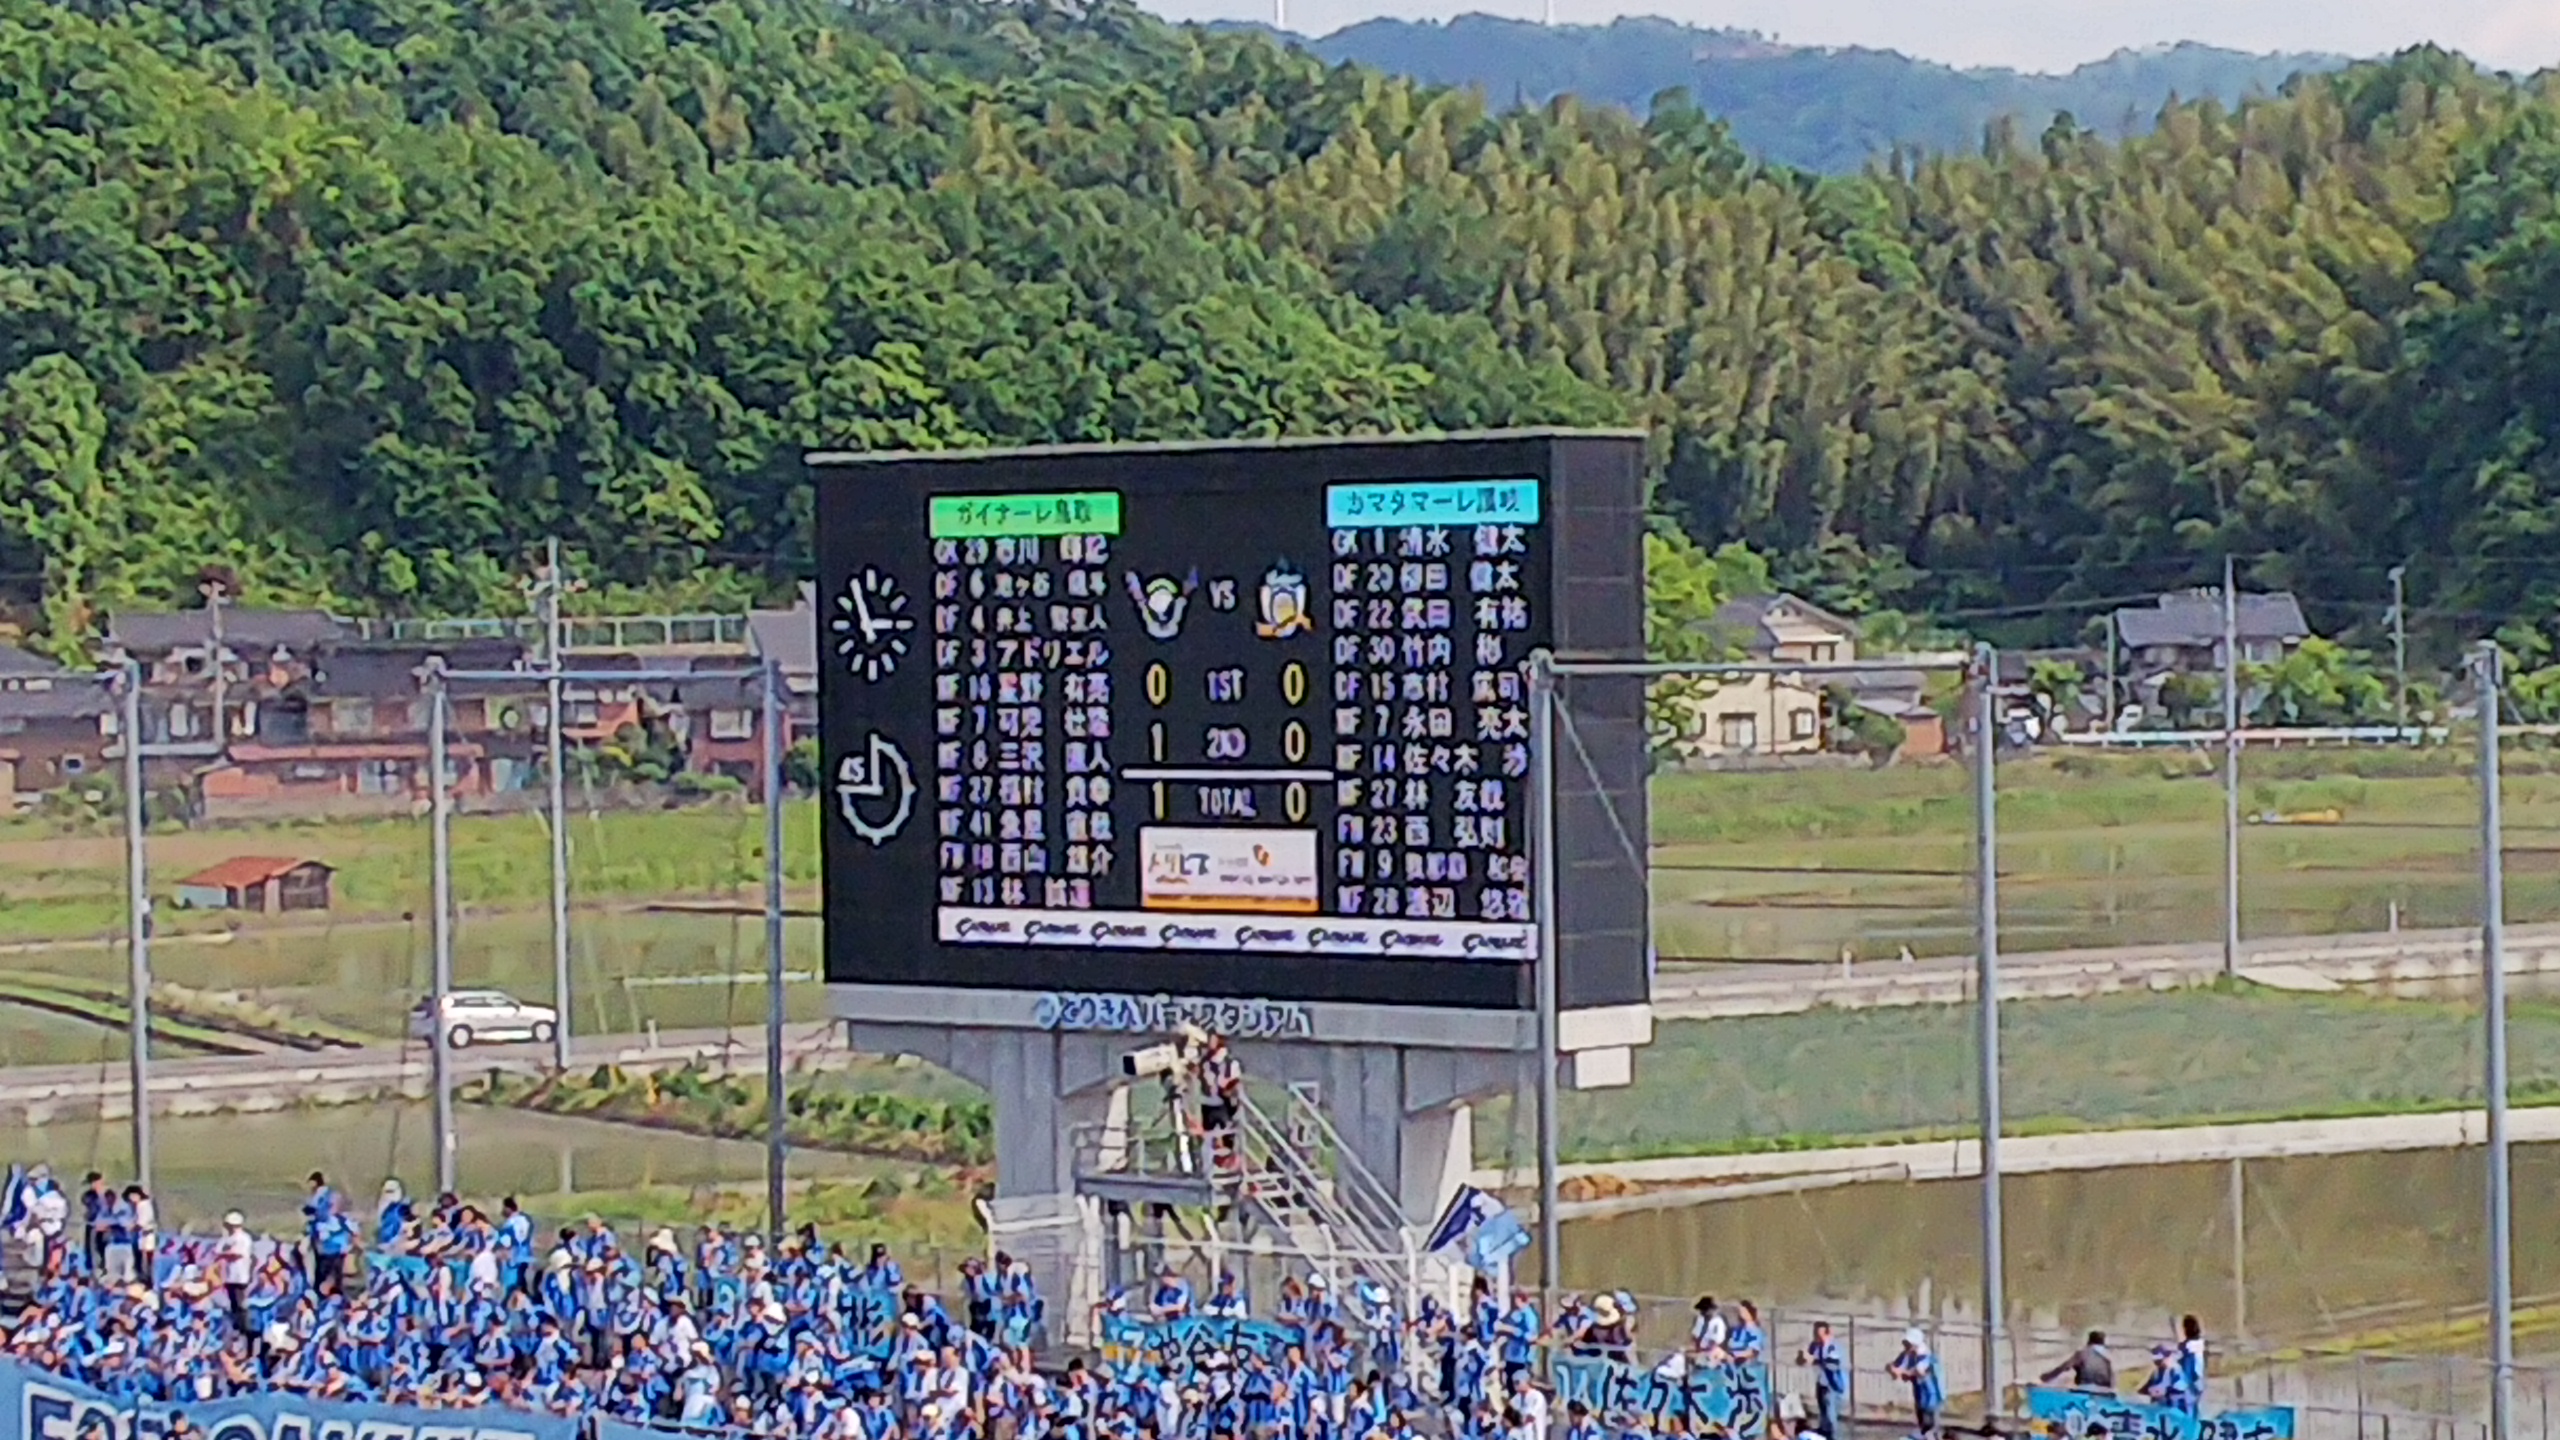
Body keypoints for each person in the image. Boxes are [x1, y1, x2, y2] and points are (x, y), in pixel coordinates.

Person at [1889, 1329, 1943, 1439]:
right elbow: (1896, 1366)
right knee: (1921, 1417)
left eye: (1909, 1343)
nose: (1906, 1346)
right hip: (1919, 1391)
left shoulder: (1925, 1355)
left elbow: (1919, 1371)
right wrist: (1894, 1370)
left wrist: (1902, 1372)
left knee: (1929, 1422)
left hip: (1930, 1393)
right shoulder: (1908, 1354)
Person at [1799, 1320, 1848, 1440]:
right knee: (1823, 1414)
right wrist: (1802, 1358)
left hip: (1833, 1384)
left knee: (1831, 1416)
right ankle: (1824, 1434)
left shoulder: (1833, 1347)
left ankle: (1834, 1437)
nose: (1819, 1339)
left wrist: (1814, 1360)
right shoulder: (1815, 1345)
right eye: (1816, 1335)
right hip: (1821, 1382)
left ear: (1828, 1334)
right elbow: (1807, 1359)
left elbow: (1832, 1363)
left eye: (1821, 1336)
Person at [2041, 1331, 2115, 1392]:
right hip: (2105, 1391)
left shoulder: (2083, 1353)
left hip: (2085, 1389)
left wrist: (2046, 1377)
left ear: (2089, 1341)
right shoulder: (2108, 1356)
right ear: (2103, 1342)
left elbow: (2065, 1367)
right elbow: (2112, 1378)